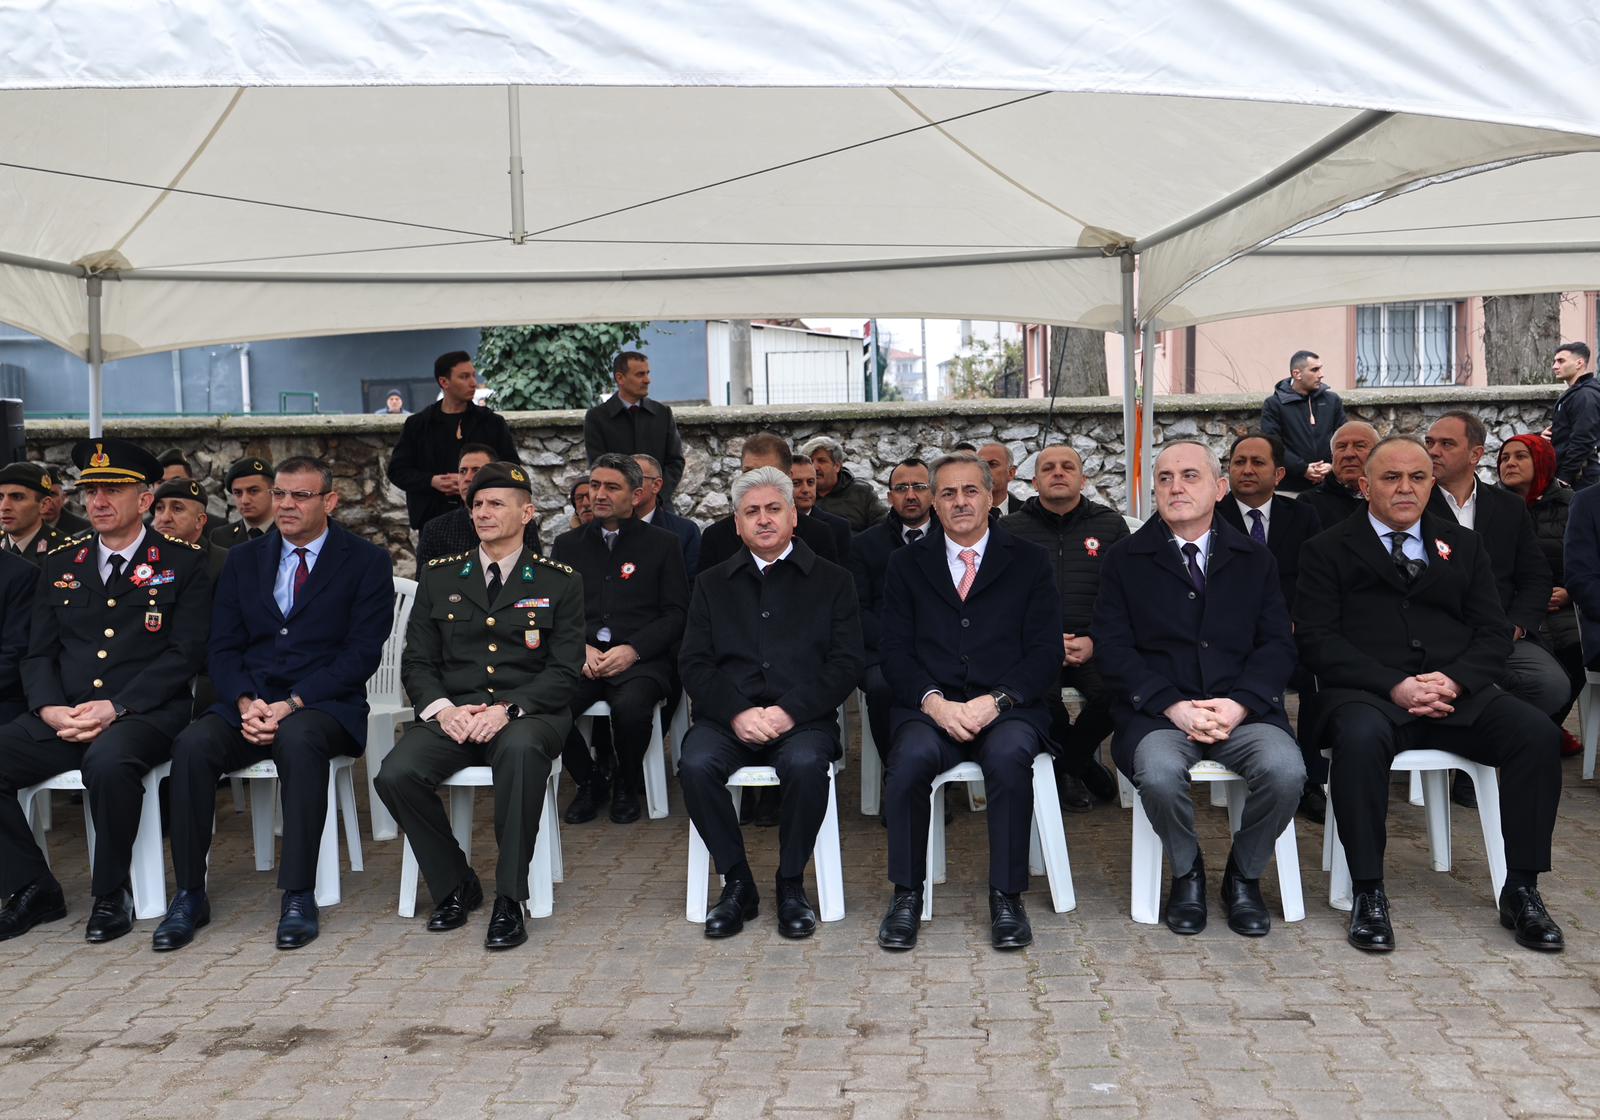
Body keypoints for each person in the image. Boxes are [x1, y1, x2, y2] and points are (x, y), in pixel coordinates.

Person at [1296, 436, 1564, 954]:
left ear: (1431, 484)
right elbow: (1316, 640)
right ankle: (1368, 893)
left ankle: (1523, 888)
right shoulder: (1325, 549)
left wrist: (1456, 679)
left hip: (1456, 693)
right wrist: (1393, 685)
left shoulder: (1463, 545)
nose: (1405, 488)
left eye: (1417, 478)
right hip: (1368, 694)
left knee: (1535, 733)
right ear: (1364, 484)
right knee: (1358, 737)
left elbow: (1492, 632)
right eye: (1391, 478)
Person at [154, 457, 393, 952]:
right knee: (193, 746)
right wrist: (244, 700)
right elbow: (221, 645)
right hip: (249, 700)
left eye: (300, 496)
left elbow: (361, 654)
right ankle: (190, 894)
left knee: (300, 740)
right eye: (280, 494)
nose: (286, 504)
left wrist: (291, 702)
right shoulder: (242, 559)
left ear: (330, 501)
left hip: (323, 703)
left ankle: (299, 893)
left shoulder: (366, 561)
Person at [0, 438, 211, 944]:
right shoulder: (61, 562)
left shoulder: (184, 562)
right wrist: (50, 709)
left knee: (108, 763)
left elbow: (185, 654)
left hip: (146, 712)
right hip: (65, 712)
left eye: (112, 490)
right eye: (91, 490)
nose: (98, 501)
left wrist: (117, 705)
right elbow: (38, 653)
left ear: (144, 500)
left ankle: (112, 892)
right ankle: (33, 886)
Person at [1094, 441, 1303, 937]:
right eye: (1165, 478)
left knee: (1287, 772)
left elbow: (1277, 644)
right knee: (1161, 775)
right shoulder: (1125, 558)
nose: (1176, 487)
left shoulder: (1255, 558)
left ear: (1219, 488)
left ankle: (1243, 877)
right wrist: (1172, 706)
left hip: (1242, 710)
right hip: (1159, 715)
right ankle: (1187, 873)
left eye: (1190, 476)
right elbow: (1113, 647)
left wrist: (1239, 704)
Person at [375, 463, 583, 951]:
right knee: (395, 774)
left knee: (521, 754)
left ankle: (511, 899)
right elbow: (418, 662)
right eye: (478, 504)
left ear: (527, 512)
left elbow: (564, 671)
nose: (483, 512)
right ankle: (455, 883)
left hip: (529, 714)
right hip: (457, 715)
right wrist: (444, 711)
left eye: (496, 503)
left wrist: (508, 710)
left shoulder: (559, 581)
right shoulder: (441, 575)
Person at [876, 452, 1061, 952]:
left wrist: (995, 702)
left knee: (1007, 757)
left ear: (991, 496)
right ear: (933, 503)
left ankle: (1006, 896)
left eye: (970, 491)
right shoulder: (905, 564)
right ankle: (907, 895)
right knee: (910, 759)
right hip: (930, 709)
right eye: (948, 493)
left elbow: (1045, 653)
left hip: (1009, 708)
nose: (960, 502)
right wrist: (934, 704)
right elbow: (893, 650)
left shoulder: (1029, 560)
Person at [678, 466, 864, 939]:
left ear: (793, 517)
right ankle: (738, 882)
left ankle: (790, 882)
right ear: (737, 523)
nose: (763, 520)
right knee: (695, 765)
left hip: (802, 719)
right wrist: (738, 712)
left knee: (805, 766)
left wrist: (788, 711)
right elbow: (694, 664)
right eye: (751, 512)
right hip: (727, 720)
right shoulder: (711, 583)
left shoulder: (833, 580)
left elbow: (844, 664)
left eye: (773, 509)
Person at [1424, 412, 1568, 783]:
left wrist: (1517, 626)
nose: (1433, 452)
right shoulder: (1414, 505)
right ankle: (1471, 762)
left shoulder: (1507, 507)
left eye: (1446, 444)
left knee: (1551, 685)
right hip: (1434, 637)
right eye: (1430, 443)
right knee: (1470, 682)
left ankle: (1480, 756)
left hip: (1501, 632)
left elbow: (1535, 576)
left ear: (1474, 455)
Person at [552, 454, 688, 825]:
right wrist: (580, 647)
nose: (598, 494)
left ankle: (627, 783)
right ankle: (591, 781)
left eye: (612, 487)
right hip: (582, 659)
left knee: (630, 709)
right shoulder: (567, 546)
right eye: (595, 485)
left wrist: (634, 649)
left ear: (637, 494)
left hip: (640, 661)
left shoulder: (663, 544)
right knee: (548, 705)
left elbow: (676, 613)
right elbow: (553, 612)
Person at [999, 444, 1129, 809]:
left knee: (1121, 693)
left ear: (1083, 479)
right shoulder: (1009, 529)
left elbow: (1127, 596)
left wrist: (1095, 641)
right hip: (1034, 647)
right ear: (1034, 481)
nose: (1058, 472)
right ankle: (1080, 767)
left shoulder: (1110, 525)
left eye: (1067, 467)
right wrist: (1043, 642)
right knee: (1039, 700)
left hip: (1094, 645)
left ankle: (1068, 762)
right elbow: (1000, 600)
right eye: (1049, 468)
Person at [1214, 431, 1327, 821]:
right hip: (1228, 641)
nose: (1246, 469)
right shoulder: (1210, 516)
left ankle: (1310, 780)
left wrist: (1297, 622)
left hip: (1291, 634)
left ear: (1279, 474)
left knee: (1320, 676)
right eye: (1239, 461)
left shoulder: (1302, 515)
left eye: (1257, 462)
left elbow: (1316, 579)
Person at [1497, 435, 1585, 753]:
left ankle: (1544, 729)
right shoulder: (1491, 507)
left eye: (1521, 456)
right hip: (1515, 607)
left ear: (1543, 461)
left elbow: (1589, 560)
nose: (1510, 463)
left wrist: (1570, 593)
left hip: (1564, 606)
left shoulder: (1572, 504)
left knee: (1578, 646)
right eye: (1505, 457)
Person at [849, 458, 936, 775]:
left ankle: (939, 767)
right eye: (901, 488)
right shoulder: (863, 545)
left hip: (943, 646)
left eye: (919, 487)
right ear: (889, 497)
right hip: (882, 651)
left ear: (933, 493)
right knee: (883, 687)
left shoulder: (953, 538)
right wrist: (897, 644)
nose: (910, 495)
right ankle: (897, 772)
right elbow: (857, 609)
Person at [386, 351, 521, 531]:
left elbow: (512, 468)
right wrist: (431, 481)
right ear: (444, 382)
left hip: (485, 520)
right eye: (464, 377)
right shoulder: (418, 424)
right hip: (432, 520)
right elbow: (397, 470)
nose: (473, 382)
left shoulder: (491, 423)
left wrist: (474, 480)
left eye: (473, 375)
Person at [700, 434, 840, 568]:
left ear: (788, 476)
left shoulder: (819, 535)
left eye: (768, 472)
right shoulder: (716, 537)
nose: (757, 480)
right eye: (749, 473)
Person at [583, 351, 686, 504]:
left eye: (647, 373)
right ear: (620, 378)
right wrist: (622, 496)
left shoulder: (662, 414)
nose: (647, 380)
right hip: (616, 508)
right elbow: (599, 465)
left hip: (657, 507)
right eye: (640, 374)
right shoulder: (597, 417)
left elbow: (675, 461)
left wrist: (657, 496)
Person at [417, 445, 542, 567]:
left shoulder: (520, 523)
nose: (467, 478)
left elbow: (535, 571)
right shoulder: (435, 529)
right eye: (463, 471)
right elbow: (424, 583)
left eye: (477, 470)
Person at [1260, 350, 1346, 492]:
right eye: (1314, 370)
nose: (1321, 374)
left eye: (1321, 368)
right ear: (1297, 374)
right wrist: (1303, 469)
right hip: (1289, 489)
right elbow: (1272, 444)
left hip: (1330, 488)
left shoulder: (1332, 401)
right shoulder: (1274, 404)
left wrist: (1332, 465)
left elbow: (1344, 438)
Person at [632, 454, 701, 581]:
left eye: (635, 478)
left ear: (656, 485)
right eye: (623, 480)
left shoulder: (684, 531)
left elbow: (693, 585)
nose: (628, 486)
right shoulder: (608, 528)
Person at [1299, 421, 1378, 527]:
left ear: (1378, 455)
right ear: (1332, 456)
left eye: (1359, 446)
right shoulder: (1309, 503)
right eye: (1341, 447)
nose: (1348, 454)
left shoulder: (1391, 497)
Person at [150, 478, 229, 581]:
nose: (165, 518)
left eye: (177, 509)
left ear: (199, 520)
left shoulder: (223, 562)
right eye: (159, 508)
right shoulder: (144, 559)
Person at [802, 435, 887, 530]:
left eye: (822, 461)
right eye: (810, 462)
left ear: (837, 466)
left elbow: (883, 527)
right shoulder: (797, 495)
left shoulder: (862, 493)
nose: (815, 467)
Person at [1549, 342, 1599, 490]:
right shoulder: (1576, 393)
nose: (1555, 366)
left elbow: (1583, 440)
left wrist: (1564, 478)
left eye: (1561, 361)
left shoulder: (1586, 395)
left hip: (1580, 479)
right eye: (1554, 361)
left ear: (1579, 363)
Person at [0, 462, 67, 564]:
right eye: (0, 498)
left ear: (44, 505)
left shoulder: (65, 552)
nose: (4, 507)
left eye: (17, 497)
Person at [789, 455, 852, 561]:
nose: (805, 489)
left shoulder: (838, 527)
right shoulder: (772, 523)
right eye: (796, 483)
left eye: (810, 482)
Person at [209, 457, 278, 549]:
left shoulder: (291, 534)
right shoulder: (220, 537)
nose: (244, 500)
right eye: (238, 493)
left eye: (253, 491)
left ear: (273, 491)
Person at [40, 465, 90, 536]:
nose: (47, 502)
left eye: (53, 494)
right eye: (42, 495)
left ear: (63, 498)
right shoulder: (22, 526)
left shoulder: (84, 529)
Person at [978, 443, 1026, 515]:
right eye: (981, 466)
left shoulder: (1027, 512)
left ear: (1010, 473)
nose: (985, 471)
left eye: (993, 464)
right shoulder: (965, 513)